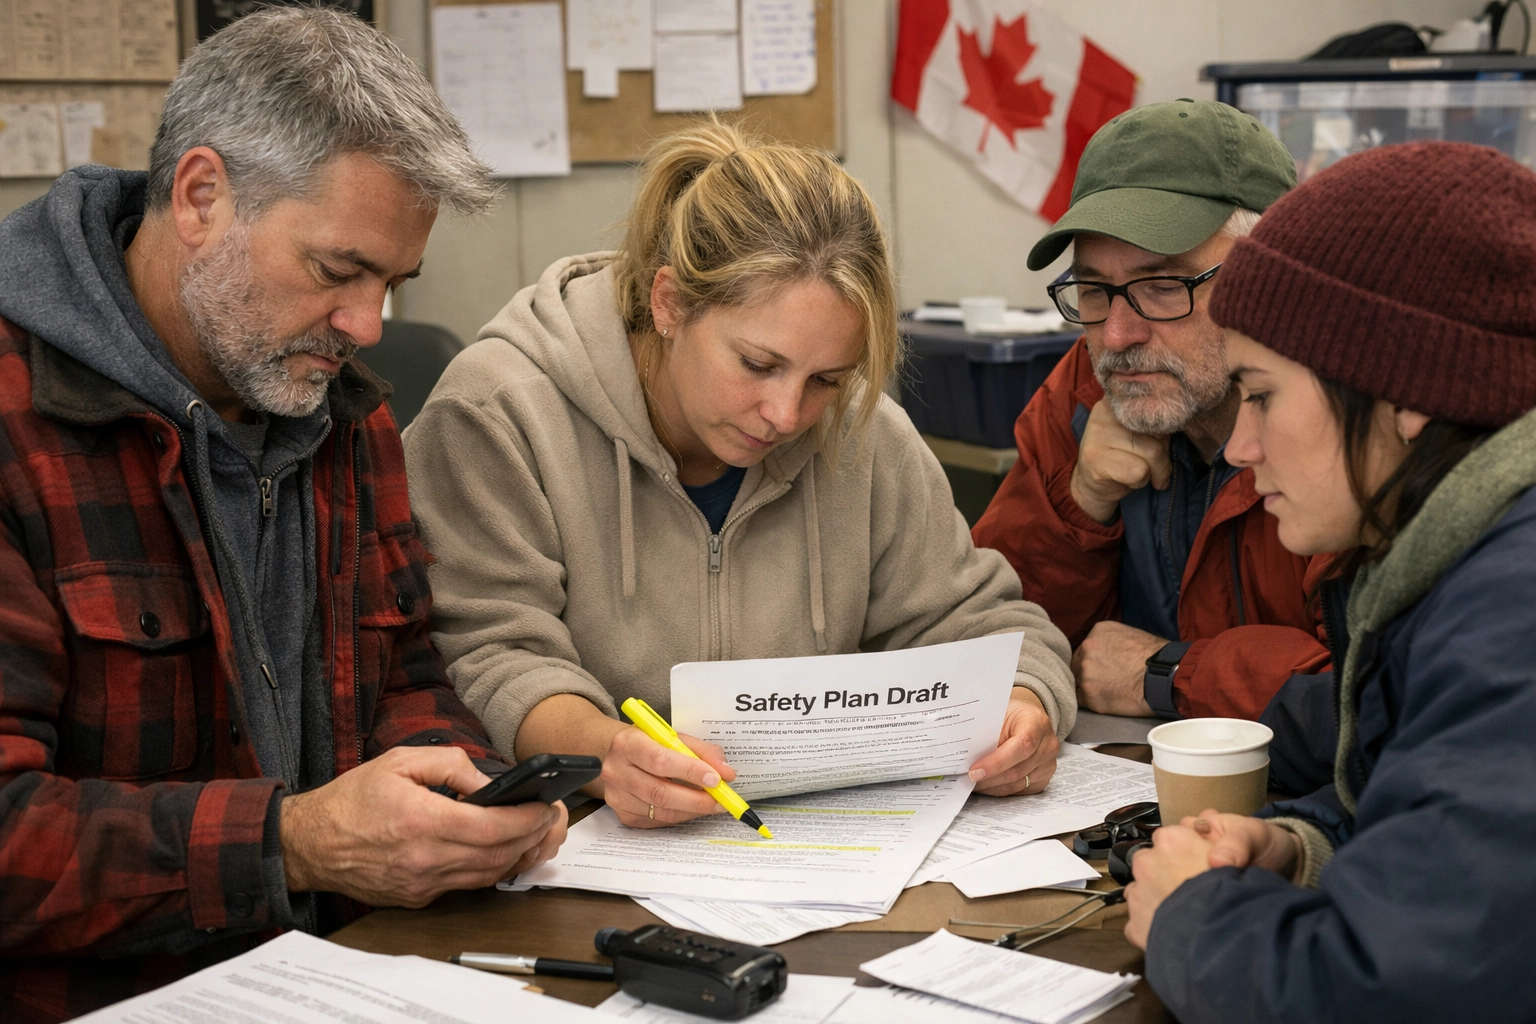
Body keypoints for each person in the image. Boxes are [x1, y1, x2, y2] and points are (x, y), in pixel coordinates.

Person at [0, 10, 566, 1019]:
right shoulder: (17, 423)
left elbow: (406, 678)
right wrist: (291, 840)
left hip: (352, 973)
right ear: (202, 197)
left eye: (391, 282)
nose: (368, 325)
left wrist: (470, 794)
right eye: (337, 270)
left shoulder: (345, 414)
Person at [404, 120, 1076, 829]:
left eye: (826, 378)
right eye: (758, 364)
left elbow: (984, 622)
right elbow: (487, 653)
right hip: (575, 845)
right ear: (669, 303)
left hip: (816, 847)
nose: (786, 414)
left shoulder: (863, 433)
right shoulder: (498, 413)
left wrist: (1023, 706)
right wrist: (605, 754)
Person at [1123, 141, 1536, 1022]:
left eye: (1262, 394)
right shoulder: (1461, 559)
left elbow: (1395, 993)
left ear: (1410, 394)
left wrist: (1195, 923)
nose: (1240, 448)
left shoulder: (1514, 614)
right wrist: (1301, 849)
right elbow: (1452, 846)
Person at [971, 99, 1336, 787]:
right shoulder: (1085, 389)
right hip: (1122, 806)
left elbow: (1370, 702)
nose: (1116, 336)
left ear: (1270, 274)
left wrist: (1166, 674)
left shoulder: (1347, 418)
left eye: (1164, 285)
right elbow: (986, 637)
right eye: (1094, 290)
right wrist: (1082, 505)